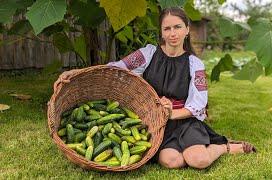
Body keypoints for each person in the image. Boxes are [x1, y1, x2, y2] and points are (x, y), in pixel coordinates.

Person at [55, 7, 256, 169]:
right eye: (167, 28)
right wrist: (75, 73)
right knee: (172, 162)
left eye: (177, 27)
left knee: (198, 160)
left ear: (187, 30)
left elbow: (199, 105)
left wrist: (171, 114)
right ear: (161, 31)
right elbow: (115, 69)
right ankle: (188, 149)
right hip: (155, 122)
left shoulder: (195, 64)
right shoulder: (148, 53)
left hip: (185, 120)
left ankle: (224, 147)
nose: (172, 33)